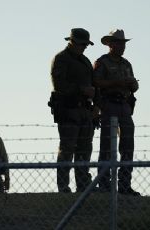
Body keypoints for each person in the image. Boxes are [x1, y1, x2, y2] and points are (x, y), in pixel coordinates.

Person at [49, 28, 98, 193]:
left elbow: (93, 86)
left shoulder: (85, 61)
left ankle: (83, 185)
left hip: (85, 110)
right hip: (68, 109)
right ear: (72, 42)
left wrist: (94, 106)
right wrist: (81, 90)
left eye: (86, 45)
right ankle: (63, 186)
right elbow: (59, 85)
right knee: (67, 149)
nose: (85, 47)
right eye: (82, 44)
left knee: (85, 149)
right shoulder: (61, 59)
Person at [93, 29, 140, 196]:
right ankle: (104, 184)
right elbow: (96, 82)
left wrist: (133, 85)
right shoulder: (102, 62)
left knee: (128, 145)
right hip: (109, 105)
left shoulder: (126, 64)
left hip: (124, 106)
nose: (122, 46)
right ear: (110, 44)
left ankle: (125, 184)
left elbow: (134, 86)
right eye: (119, 43)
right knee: (107, 146)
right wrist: (116, 83)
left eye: (123, 43)